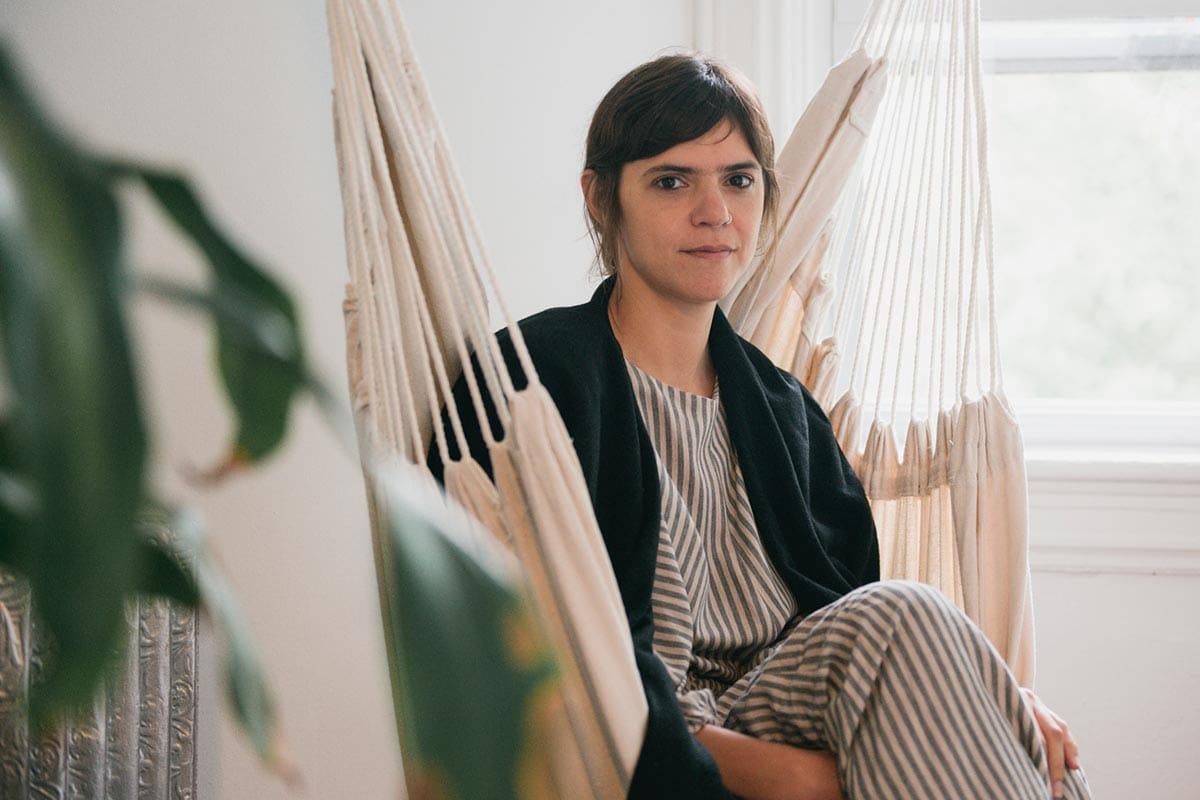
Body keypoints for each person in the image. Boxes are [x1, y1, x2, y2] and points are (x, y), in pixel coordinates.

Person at [431, 53, 1088, 800]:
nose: (716, 213)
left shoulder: (783, 408)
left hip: (797, 706)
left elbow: (855, 619)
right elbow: (541, 646)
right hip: (655, 731)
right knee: (919, 624)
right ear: (599, 197)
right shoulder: (535, 382)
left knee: (984, 690)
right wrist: (781, 777)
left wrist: (985, 694)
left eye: (739, 180)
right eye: (672, 180)